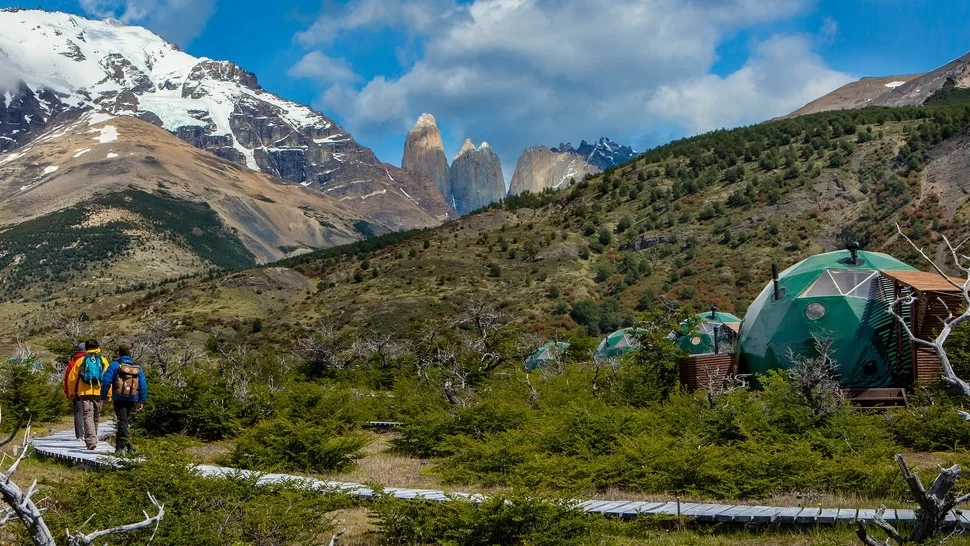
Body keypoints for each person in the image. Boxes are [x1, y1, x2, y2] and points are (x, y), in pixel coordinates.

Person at [100, 345, 147, 455]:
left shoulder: (115, 365)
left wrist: (103, 396)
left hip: (119, 398)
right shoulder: (137, 368)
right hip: (131, 399)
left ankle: (121, 448)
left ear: (119, 353)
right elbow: (143, 385)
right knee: (124, 422)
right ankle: (128, 447)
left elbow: (106, 381)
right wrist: (141, 400)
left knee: (123, 422)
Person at [65, 340, 111, 450]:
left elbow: (72, 378)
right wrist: (109, 394)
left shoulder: (81, 360)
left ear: (86, 348)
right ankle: (93, 438)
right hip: (99, 391)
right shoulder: (103, 360)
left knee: (87, 415)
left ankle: (91, 440)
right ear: (98, 347)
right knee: (96, 415)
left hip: (84, 392)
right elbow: (109, 379)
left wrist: (71, 392)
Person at [62, 342, 86, 442]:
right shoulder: (93, 360)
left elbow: (68, 378)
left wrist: (68, 392)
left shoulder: (73, 361)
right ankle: (92, 434)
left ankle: (79, 436)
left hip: (77, 391)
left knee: (78, 413)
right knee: (90, 413)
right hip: (92, 391)